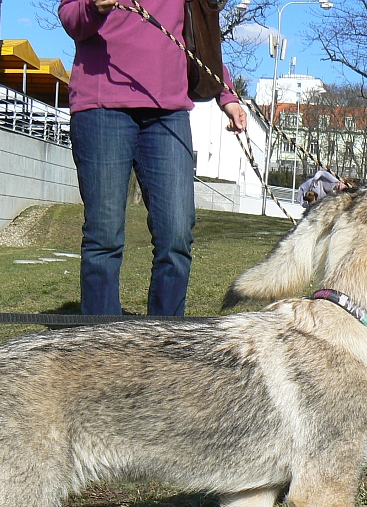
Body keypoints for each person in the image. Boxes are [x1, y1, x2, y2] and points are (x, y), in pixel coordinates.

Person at [59, 0, 247, 316]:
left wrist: (226, 95)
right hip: (102, 106)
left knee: (176, 234)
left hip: (168, 113)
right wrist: (94, 7)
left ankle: (165, 340)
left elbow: (199, 38)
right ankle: (100, 344)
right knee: (104, 235)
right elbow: (70, 18)